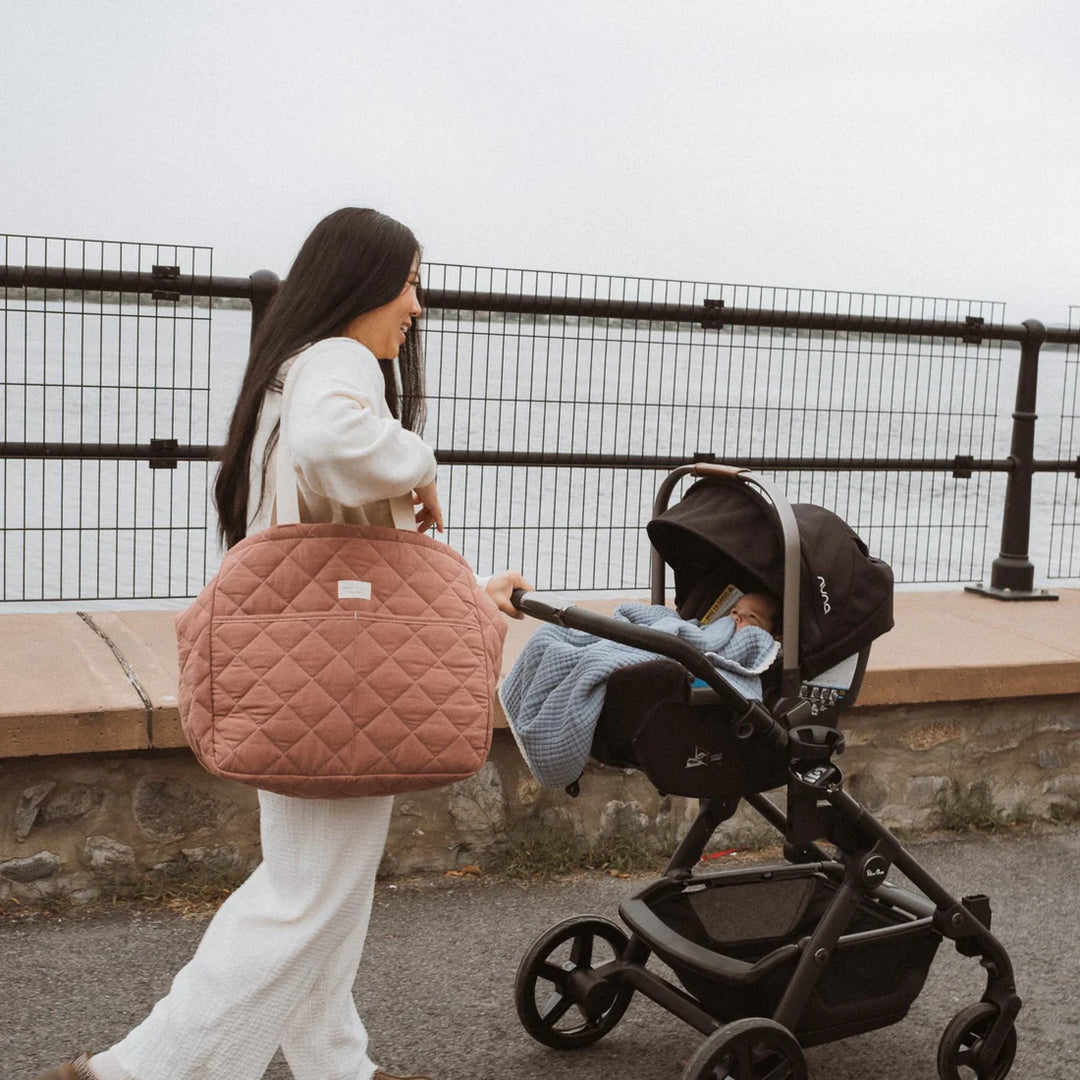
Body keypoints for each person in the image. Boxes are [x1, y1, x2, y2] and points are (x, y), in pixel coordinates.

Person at [37, 207, 531, 1080]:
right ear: (364, 283)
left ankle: (336, 1065)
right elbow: (333, 446)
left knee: (320, 888)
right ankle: (136, 1071)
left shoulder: (289, 370)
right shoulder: (339, 362)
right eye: (410, 282)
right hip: (343, 675)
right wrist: (419, 462)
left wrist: (467, 591)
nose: (418, 306)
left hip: (301, 664)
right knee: (306, 897)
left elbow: (349, 544)